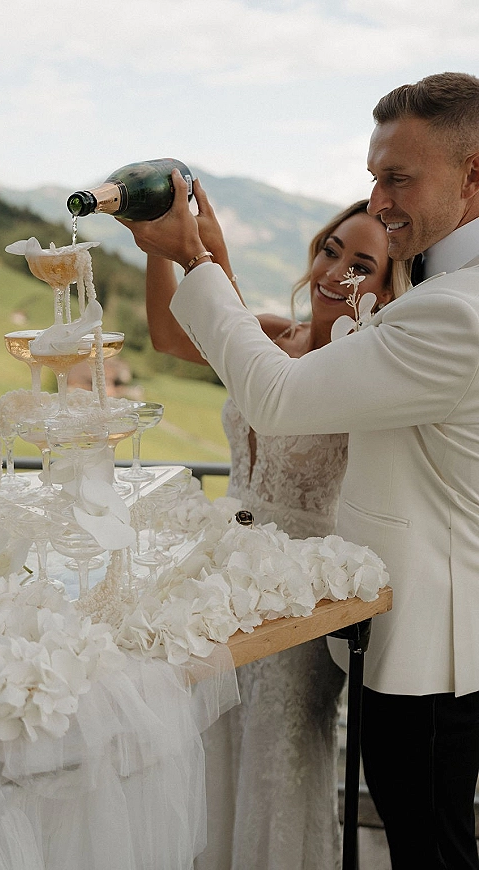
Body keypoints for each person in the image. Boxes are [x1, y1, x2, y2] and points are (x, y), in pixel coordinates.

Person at [118, 71, 479, 869]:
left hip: (431, 642)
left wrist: (201, 266)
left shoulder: (453, 309)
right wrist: (199, 258)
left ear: (472, 173)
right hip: (372, 620)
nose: (380, 199)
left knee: (433, 846)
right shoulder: (435, 284)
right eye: (372, 176)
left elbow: (279, 399)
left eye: (398, 177)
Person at [144, 197, 409, 870]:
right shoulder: (272, 336)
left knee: (276, 759)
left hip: (302, 596)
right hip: (226, 586)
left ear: (387, 287)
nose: (335, 273)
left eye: (361, 265)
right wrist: (162, 246)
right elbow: (178, 336)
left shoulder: (367, 371)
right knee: (220, 742)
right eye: (331, 251)